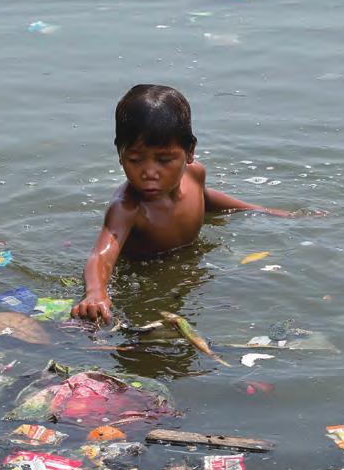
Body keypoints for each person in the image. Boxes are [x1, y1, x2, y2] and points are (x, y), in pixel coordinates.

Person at [72, 84, 294, 323]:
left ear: (189, 152)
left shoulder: (194, 174)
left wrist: (261, 211)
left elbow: (206, 199)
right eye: (135, 159)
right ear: (120, 154)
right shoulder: (127, 208)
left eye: (164, 159)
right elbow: (100, 256)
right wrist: (96, 293)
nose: (149, 172)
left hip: (190, 267)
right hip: (145, 281)